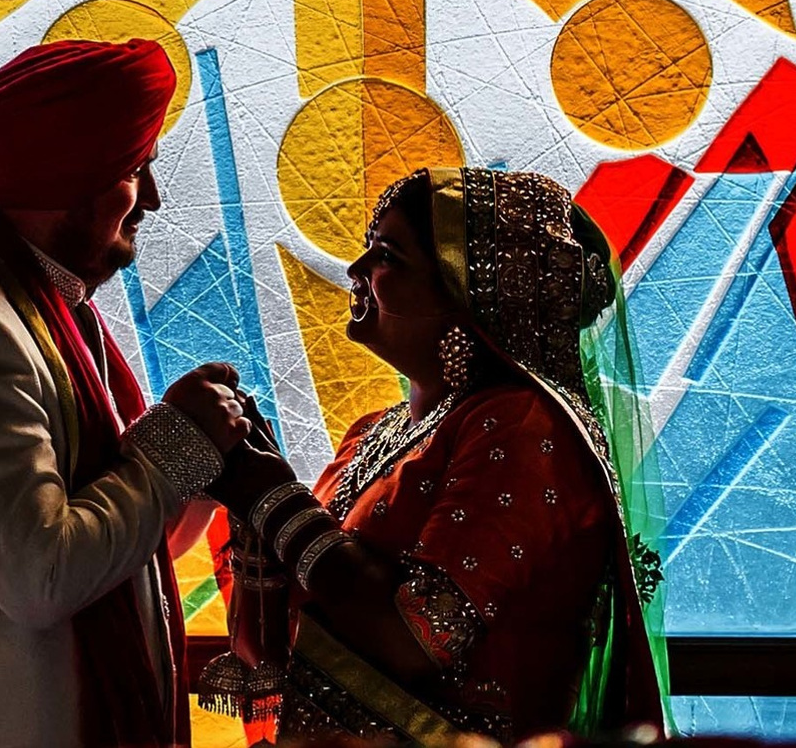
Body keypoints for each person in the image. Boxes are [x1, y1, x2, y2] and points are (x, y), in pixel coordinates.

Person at [0, 38, 256, 748]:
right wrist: (173, 444)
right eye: (137, 170)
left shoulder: (44, 313)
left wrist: (206, 460)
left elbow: (116, 548)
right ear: (72, 179)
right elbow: (43, 572)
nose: (154, 199)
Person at [191, 168, 667, 745]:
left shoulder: (520, 429)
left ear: (468, 297)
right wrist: (249, 486)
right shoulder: (375, 433)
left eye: (387, 257)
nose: (356, 271)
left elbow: (417, 636)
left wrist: (270, 497)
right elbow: (269, 650)